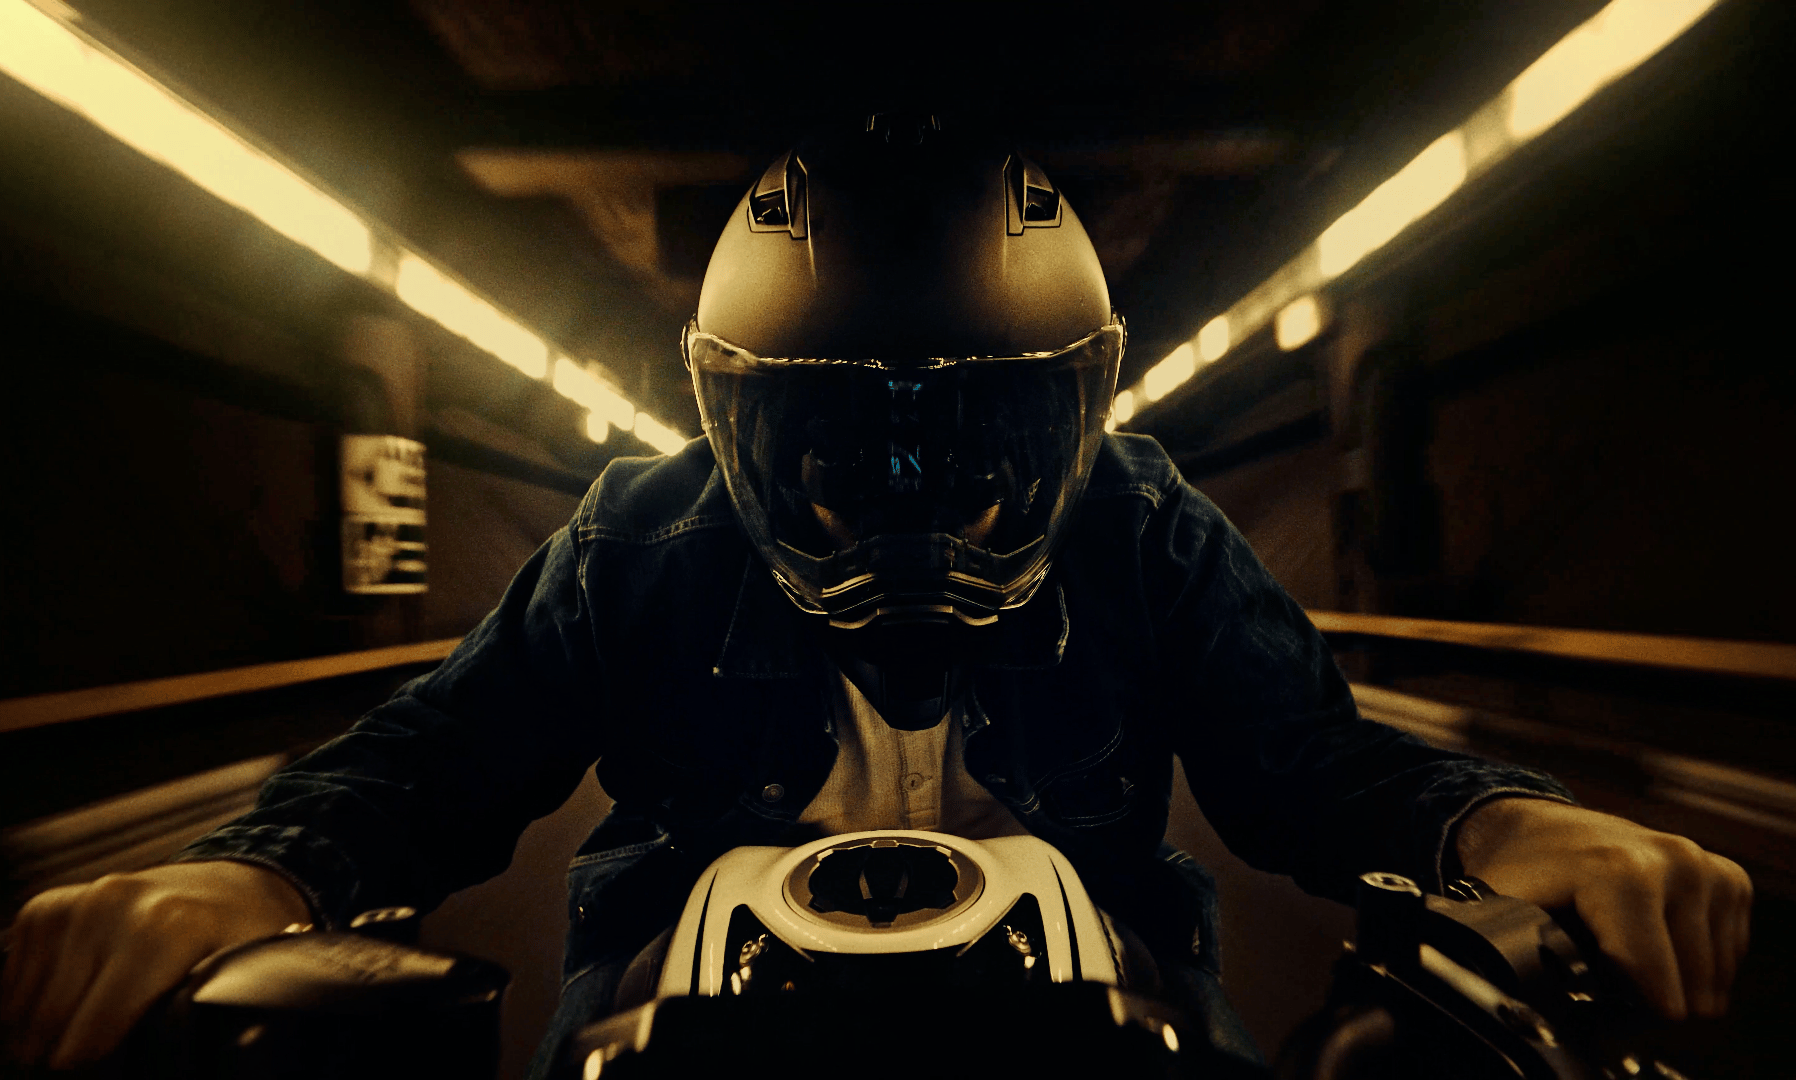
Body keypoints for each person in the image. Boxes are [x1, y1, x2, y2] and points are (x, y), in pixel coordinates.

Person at [0, 118, 1753, 1075]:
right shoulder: (634, 538)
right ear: (722, 419)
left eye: (982, 442)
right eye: (839, 447)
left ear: (1085, 412)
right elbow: (436, 762)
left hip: (1111, 996)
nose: (914, 514)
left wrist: (1503, 835)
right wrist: (262, 863)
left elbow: (1317, 768)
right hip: (669, 1020)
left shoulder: (1142, 527)